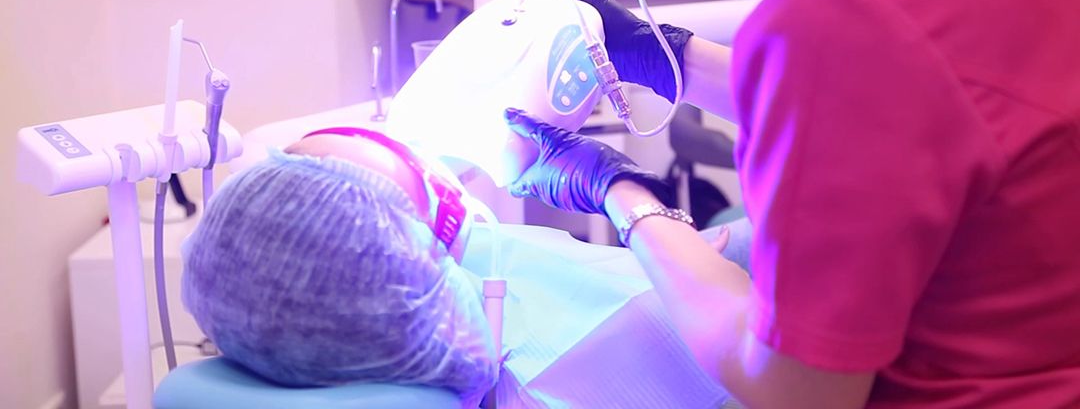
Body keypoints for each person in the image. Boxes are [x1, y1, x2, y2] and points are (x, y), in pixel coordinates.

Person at [504, 0, 1080, 407]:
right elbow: (922, 100)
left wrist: (622, 194)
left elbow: (795, 388)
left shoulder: (854, 5)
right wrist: (660, 55)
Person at [181, 127, 754, 408]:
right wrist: (628, 199)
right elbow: (760, 359)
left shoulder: (388, 282)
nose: (438, 174)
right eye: (425, 184)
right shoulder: (563, 368)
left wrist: (667, 249)